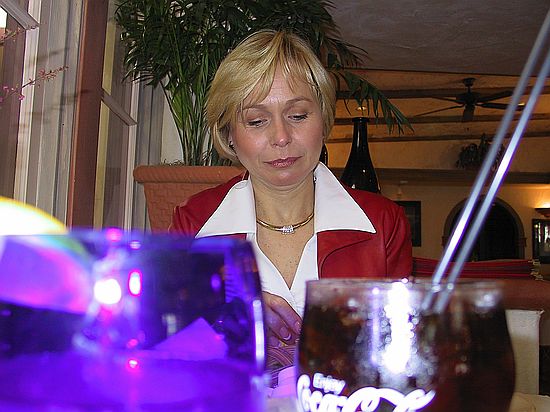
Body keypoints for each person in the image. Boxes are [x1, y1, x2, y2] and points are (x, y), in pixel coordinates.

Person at [170, 30, 412, 349]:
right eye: (256, 121)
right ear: (229, 134)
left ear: (323, 120)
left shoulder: (383, 224)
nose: (281, 136)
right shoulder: (193, 223)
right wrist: (228, 326)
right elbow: (169, 349)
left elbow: (398, 348)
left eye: (298, 115)